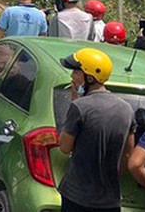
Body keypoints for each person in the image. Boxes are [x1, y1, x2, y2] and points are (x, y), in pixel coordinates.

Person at [58, 48, 136, 212]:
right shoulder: (127, 109)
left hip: (77, 197)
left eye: (77, 72)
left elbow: (65, 147)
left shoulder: (80, 107)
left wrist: (74, 101)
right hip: (110, 199)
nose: (72, 76)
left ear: (90, 77)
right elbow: (128, 153)